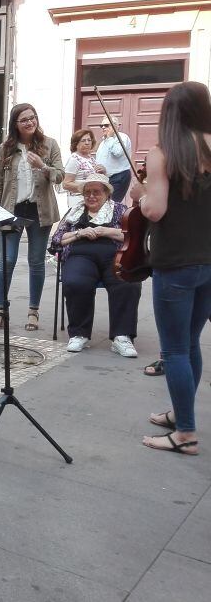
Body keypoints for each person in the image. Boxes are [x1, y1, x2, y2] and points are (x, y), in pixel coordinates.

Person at [129, 80, 211, 456]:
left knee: (174, 350)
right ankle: (181, 415)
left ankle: (186, 434)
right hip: (208, 261)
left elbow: (155, 210)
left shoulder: (164, 152)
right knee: (190, 342)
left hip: (176, 262)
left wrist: (139, 193)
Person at [0, 103, 64, 333]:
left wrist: (43, 166)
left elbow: (60, 176)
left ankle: (33, 311)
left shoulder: (49, 144)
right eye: (24, 120)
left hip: (40, 211)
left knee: (36, 262)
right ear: (15, 124)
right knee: (7, 261)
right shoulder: (5, 149)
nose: (30, 122)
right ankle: (0, 310)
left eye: (33, 118)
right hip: (11, 211)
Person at [48, 174, 141, 356]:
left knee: (127, 282)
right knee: (75, 282)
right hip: (80, 255)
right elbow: (57, 240)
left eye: (96, 192)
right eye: (87, 192)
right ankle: (79, 334)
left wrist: (105, 231)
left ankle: (122, 336)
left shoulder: (121, 210)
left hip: (114, 256)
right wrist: (79, 233)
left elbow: (133, 236)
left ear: (107, 193)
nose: (91, 196)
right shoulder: (74, 212)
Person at [61, 129, 106, 210]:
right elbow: (66, 184)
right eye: (83, 140)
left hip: (92, 200)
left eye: (89, 140)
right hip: (78, 200)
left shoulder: (91, 159)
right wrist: (87, 188)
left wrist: (103, 172)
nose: (87, 143)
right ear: (76, 144)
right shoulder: (74, 159)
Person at [97, 115, 134, 203]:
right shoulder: (103, 141)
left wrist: (109, 138)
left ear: (116, 126)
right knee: (103, 205)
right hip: (105, 178)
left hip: (118, 176)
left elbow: (117, 152)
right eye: (101, 125)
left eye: (106, 125)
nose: (103, 127)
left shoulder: (122, 137)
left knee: (111, 204)